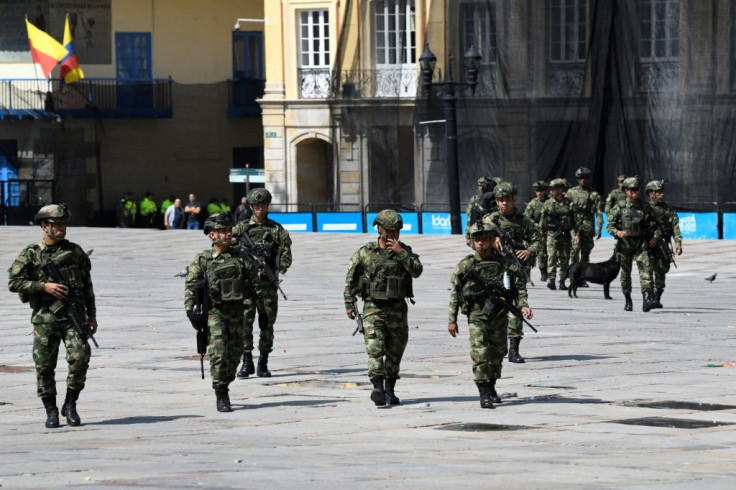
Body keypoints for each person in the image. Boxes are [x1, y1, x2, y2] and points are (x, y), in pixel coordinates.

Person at [7, 204, 98, 428]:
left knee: (81, 355)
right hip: (44, 318)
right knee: (44, 366)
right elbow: (13, 282)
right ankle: (51, 410)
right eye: (57, 224)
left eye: (64, 224)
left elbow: (87, 286)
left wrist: (92, 315)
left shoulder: (75, 252)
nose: (62, 228)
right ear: (44, 226)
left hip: (71, 317)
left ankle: (70, 404)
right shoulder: (31, 253)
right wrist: (43, 286)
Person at [448, 222, 533, 409]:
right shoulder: (466, 265)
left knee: (497, 353)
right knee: (480, 354)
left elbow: (519, 286)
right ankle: (483, 392)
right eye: (477, 240)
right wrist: (452, 319)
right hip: (477, 316)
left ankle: (492, 386)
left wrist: (524, 305)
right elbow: (455, 292)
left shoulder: (505, 264)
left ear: (492, 240)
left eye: (484, 239)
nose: (480, 243)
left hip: (499, 316)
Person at [345, 209, 423, 406]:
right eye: (388, 230)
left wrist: (401, 252)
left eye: (396, 231)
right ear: (379, 229)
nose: (392, 235)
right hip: (373, 308)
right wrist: (349, 304)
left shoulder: (404, 250)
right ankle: (377, 387)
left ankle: (390, 389)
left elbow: (417, 270)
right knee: (374, 347)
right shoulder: (365, 253)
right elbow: (350, 280)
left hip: (397, 309)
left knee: (396, 350)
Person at [185, 213, 261, 412]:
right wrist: (190, 310)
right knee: (219, 354)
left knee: (235, 354)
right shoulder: (204, 259)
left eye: (229, 230)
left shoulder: (241, 257)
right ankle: (221, 392)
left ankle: (225, 381)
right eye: (223, 231)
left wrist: (260, 307)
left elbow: (255, 285)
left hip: (237, 313)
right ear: (212, 235)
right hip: (214, 313)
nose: (228, 234)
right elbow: (191, 285)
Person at [233, 188, 293, 379]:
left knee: (267, 324)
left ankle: (263, 361)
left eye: (263, 205)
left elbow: (287, 258)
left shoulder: (277, 230)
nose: (260, 208)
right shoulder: (240, 230)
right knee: (244, 323)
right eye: (256, 205)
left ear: (267, 206)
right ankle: (247, 361)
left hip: (267, 286)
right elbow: (228, 255)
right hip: (246, 286)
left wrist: (273, 265)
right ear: (251, 207)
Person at [482, 182, 541, 364]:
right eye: (500, 200)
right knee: (489, 308)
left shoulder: (524, 221)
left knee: (516, 306)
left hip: (516, 270)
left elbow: (537, 240)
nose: (503, 204)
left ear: (513, 200)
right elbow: (475, 239)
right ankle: (488, 345)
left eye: (507, 200)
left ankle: (514, 349)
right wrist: (492, 238)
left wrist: (529, 251)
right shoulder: (490, 220)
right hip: (494, 270)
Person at [606, 177, 659, 312]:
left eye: (638, 189)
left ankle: (647, 299)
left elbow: (656, 225)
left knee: (646, 270)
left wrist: (655, 238)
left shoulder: (646, 207)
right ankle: (628, 299)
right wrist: (617, 232)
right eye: (633, 189)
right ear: (626, 191)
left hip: (641, 244)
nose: (636, 192)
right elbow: (609, 226)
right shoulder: (619, 207)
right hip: (625, 246)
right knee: (625, 274)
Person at [645, 180, 683, 308]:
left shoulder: (667, 210)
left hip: (662, 245)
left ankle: (657, 296)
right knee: (647, 271)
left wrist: (678, 243)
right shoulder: (644, 209)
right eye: (658, 192)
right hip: (647, 245)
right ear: (650, 193)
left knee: (661, 270)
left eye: (662, 192)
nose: (662, 194)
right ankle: (648, 297)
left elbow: (675, 227)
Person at [567, 167, 604, 286]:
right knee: (574, 252)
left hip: (587, 228)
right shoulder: (571, 193)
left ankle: (582, 278)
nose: (583, 180)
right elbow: (565, 209)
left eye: (585, 178)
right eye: (580, 178)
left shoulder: (594, 195)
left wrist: (599, 228)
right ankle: (574, 277)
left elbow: (599, 212)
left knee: (585, 255)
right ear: (577, 179)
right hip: (574, 227)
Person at [539, 178, 577, 291]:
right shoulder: (548, 203)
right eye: (550, 189)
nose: (551, 192)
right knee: (552, 257)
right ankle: (551, 280)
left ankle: (562, 281)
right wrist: (542, 234)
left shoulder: (569, 203)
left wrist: (576, 234)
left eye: (553, 189)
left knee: (564, 258)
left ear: (560, 190)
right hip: (552, 234)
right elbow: (543, 220)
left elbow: (574, 221)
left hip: (565, 235)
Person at [524, 180, 549, 281]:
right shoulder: (532, 204)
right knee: (541, 254)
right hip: (537, 232)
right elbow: (526, 219)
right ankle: (543, 273)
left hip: (550, 232)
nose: (539, 193)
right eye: (537, 191)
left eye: (541, 191)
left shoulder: (550, 202)